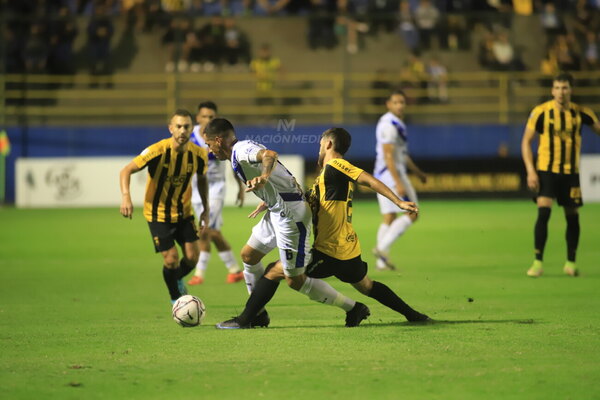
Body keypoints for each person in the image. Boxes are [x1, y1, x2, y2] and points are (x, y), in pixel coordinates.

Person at [219, 128, 430, 329]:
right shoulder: (325, 178)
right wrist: (270, 201)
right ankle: (413, 315)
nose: (319, 149)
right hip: (349, 248)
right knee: (367, 286)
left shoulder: (336, 165)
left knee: (274, 271)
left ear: (328, 143)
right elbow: (317, 203)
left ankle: (247, 318)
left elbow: (368, 179)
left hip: (330, 251)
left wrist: (398, 201)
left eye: (321, 144)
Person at [203, 118, 369, 329]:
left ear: (218, 140)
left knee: (295, 280)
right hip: (277, 210)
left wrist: (263, 177)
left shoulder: (241, 150)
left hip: (290, 216)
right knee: (248, 255)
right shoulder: (240, 151)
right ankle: (257, 315)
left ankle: (353, 308)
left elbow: (270, 155)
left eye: (208, 144)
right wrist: (269, 195)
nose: (209, 149)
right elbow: (283, 176)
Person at [119, 109, 210, 304]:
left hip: (183, 213)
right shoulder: (156, 151)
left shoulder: (199, 155)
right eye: (178, 126)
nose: (182, 131)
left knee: (193, 258)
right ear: (171, 128)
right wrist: (126, 196)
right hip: (157, 213)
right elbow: (126, 170)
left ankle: (174, 278)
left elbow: (202, 180)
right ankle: (176, 298)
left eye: (186, 126)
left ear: (191, 128)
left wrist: (205, 208)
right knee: (171, 259)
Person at [521, 72, 600, 278]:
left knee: (572, 217)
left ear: (570, 90)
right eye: (557, 88)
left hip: (570, 174)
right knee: (543, 212)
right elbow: (525, 142)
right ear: (552, 90)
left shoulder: (581, 113)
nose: (560, 92)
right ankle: (538, 262)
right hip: (546, 170)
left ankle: (570, 263)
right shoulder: (541, 112)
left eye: (564, 88)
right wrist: (531, 170)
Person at [187, 101, 245, 286]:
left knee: (205, 230)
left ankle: (199, 273)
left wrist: (240, 188)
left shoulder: (220, 138)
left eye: (211, 117)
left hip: (216, 189)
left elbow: (233, 161)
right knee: (213, 232)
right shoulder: (190, 136)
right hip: (197, 190)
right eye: (204, 116)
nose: (207, 120)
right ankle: (235, 270)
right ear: (198, 118)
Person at [372, 90, 427, 271]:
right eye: (396, 102)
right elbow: (388, 156)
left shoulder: (395, 123)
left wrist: (417, 172)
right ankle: (381, 248)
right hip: (390, 173)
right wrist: (398, 182)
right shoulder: (388, 124)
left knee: (389, 216)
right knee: (413, 212)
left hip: (384, 173)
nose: (400, 105)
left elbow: (401, 154)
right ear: (388, 104)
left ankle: (381, 261)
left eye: (402, 102)